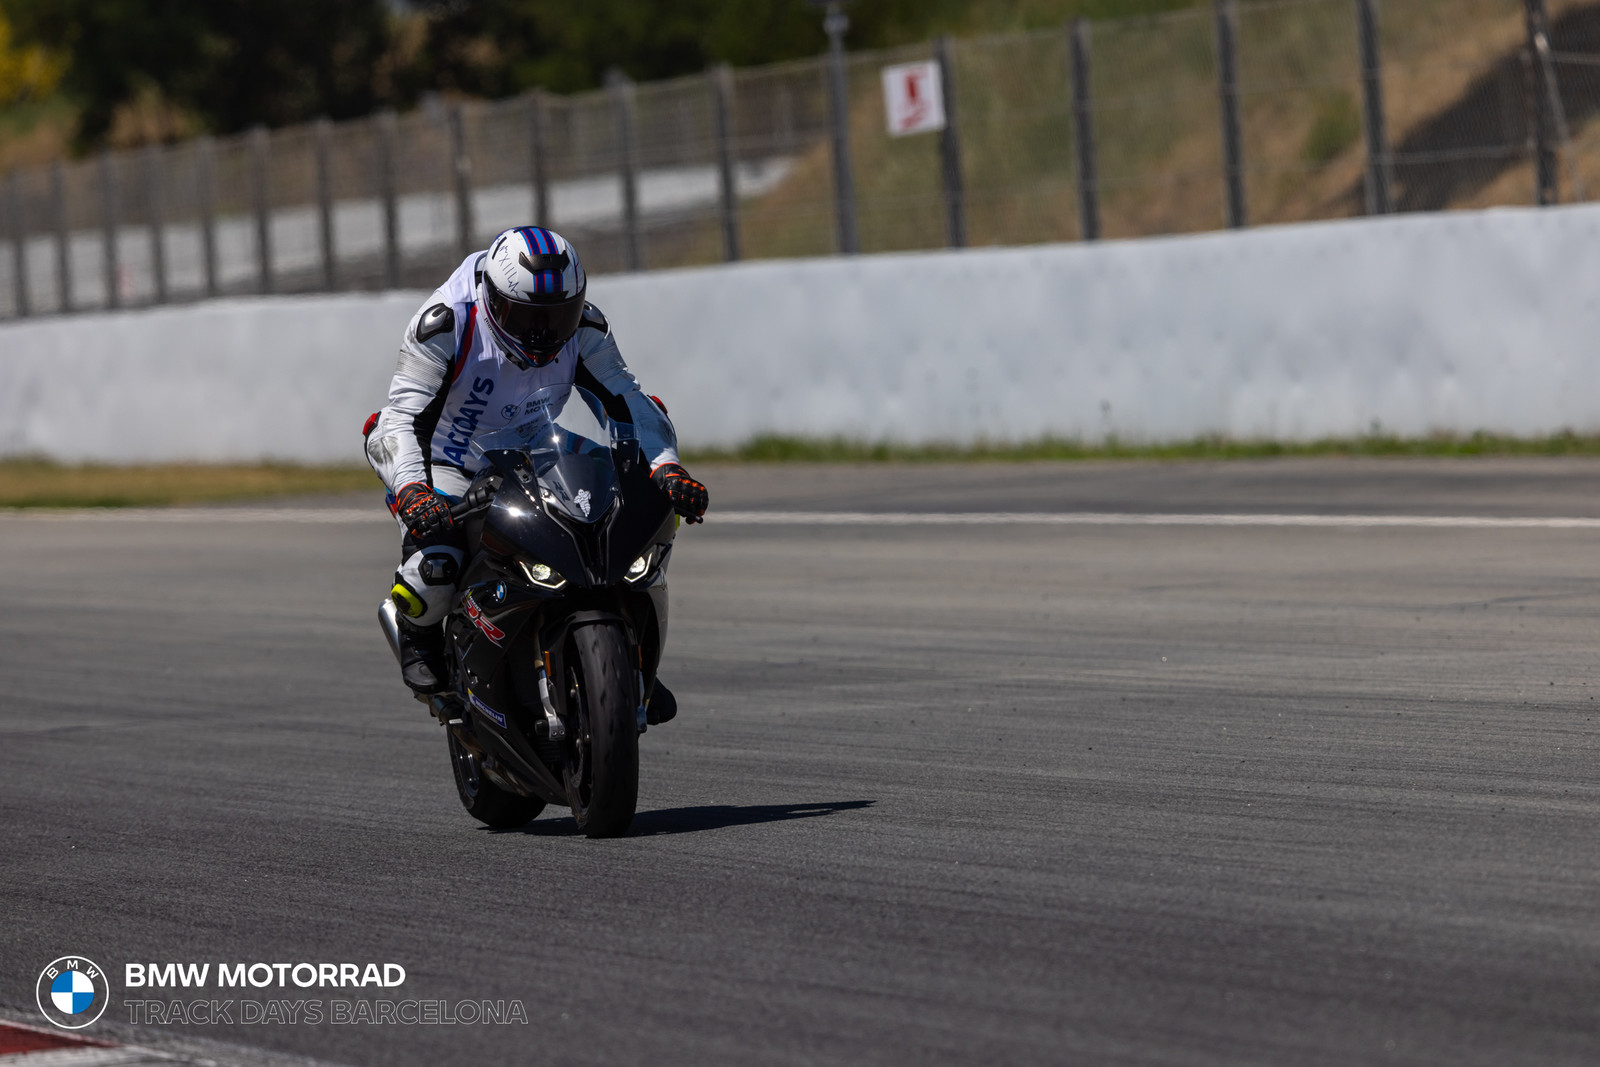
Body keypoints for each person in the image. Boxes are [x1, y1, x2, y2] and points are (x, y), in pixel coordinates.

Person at [363, 226, 708, 693]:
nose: (543, 334)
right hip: (445, 457)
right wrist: (412, 490)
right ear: (491, 297)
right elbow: (401, 418)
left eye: (557, 316)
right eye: (526, 317)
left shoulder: (584, 329)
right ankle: (419, 636)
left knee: (627, 520)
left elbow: (628, 400)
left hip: (535, 444)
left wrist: (665, 466)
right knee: (435, 568)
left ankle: (629, 660)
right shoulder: (446, 322)